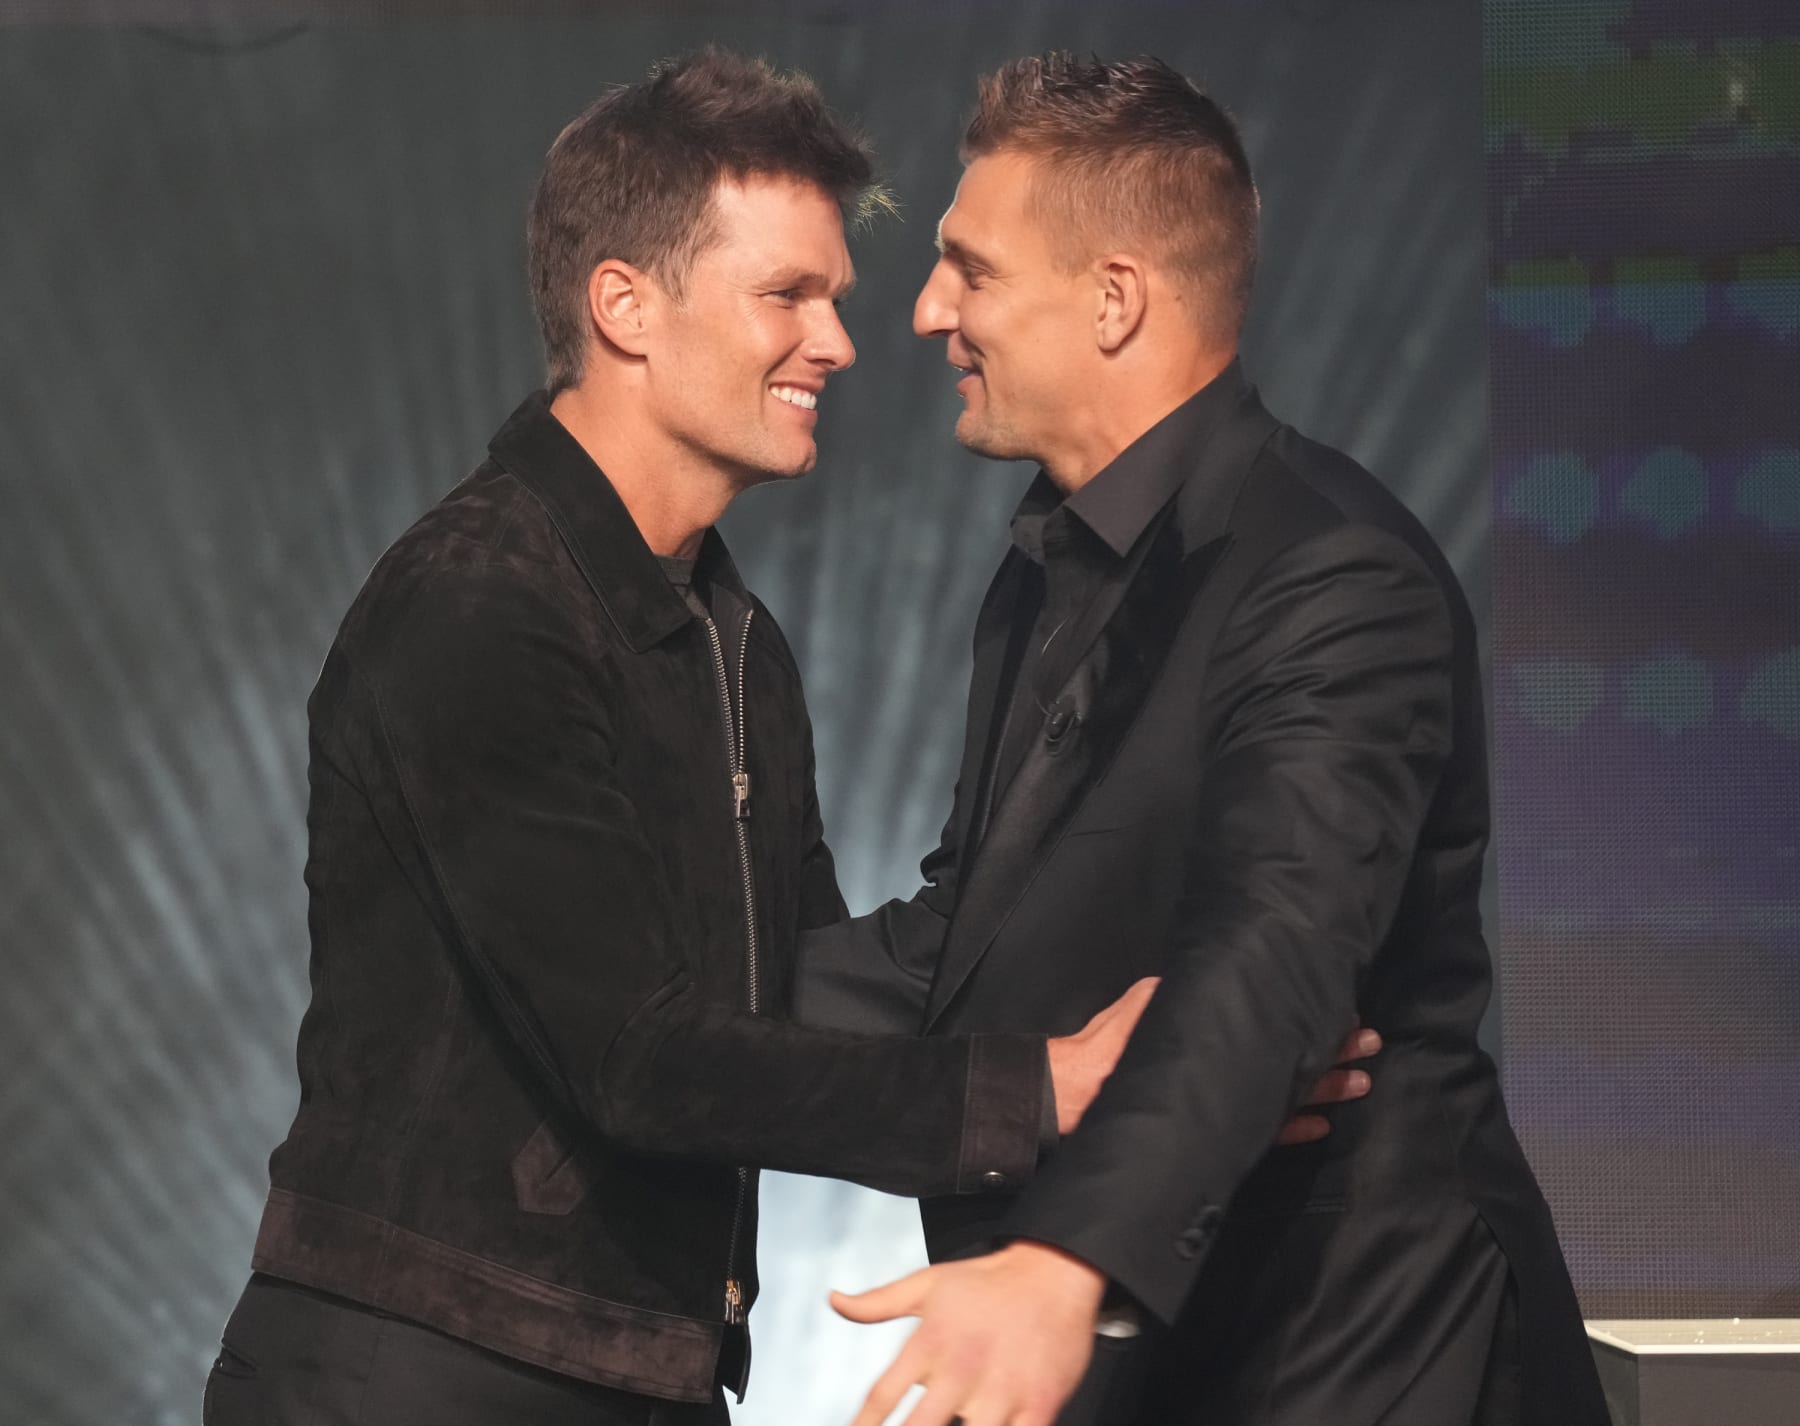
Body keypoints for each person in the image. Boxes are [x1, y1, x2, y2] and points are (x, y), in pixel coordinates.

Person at [201, 49, 1161, 1426]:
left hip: (641, 1374)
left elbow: (805, 998)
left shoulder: (733, 641)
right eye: (789, 293)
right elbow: (643, 1056)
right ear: (624, 307)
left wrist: (1160, 1061)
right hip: (416, 1376)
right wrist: (1042, 1085)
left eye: (832, 294)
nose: (837, 341)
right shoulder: (479, 602)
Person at [803, 54, 1611, 1426]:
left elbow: (1274, 954)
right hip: (1182, 1357)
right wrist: (665, 1005)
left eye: (971, 270)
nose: (931, 311)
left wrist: (1062, 1264)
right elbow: (971, 941)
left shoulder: (1333, 574)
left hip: (1361, 1336)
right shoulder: (1043, 575)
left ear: (1114, 298)